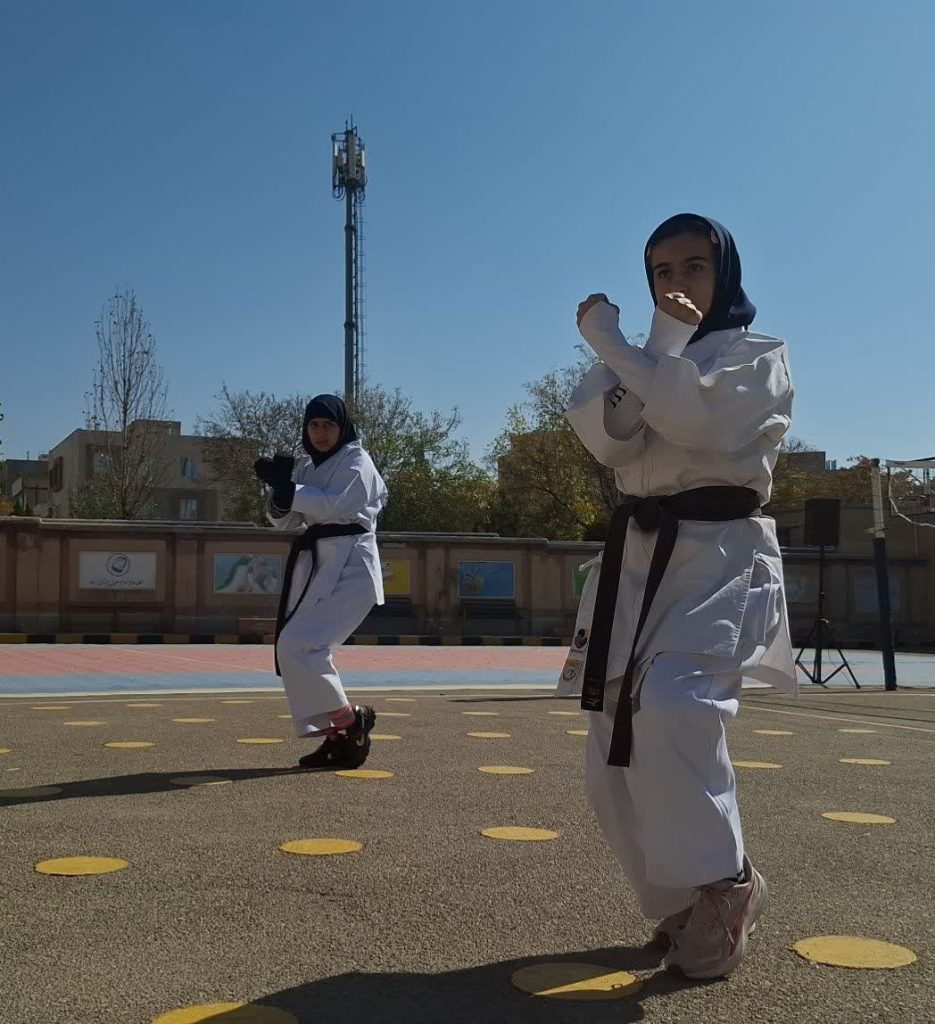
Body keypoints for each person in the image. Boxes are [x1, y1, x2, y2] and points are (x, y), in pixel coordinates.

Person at [559, 213, 796, 980]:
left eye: (694, 265)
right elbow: (610, 438)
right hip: (636, 556)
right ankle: (677, 901)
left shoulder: (755, 356)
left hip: (716, 554)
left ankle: (726, 884)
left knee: (673, 708)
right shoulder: (649, 357)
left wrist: (611, 343)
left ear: (723, 272)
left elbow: (694, 420)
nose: (677, 281)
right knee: (610, 739)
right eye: (661, 270)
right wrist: (652, 345)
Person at [254, 394, 388, 770]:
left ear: (342, 427)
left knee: (300, 643)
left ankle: (349, 722)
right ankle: (340, 735)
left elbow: (332, 505)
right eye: (314, 425)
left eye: (328, 425)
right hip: (319, 566)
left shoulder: (357, 461)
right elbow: (285, 520)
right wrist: (279, 493)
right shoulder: (306, 466)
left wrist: (288, 489)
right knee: (293, 646)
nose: (321, 432)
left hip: (352, 567)